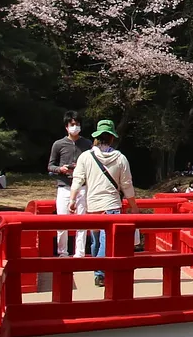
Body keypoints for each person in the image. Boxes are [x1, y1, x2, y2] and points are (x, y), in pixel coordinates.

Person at [70, 120, 136, 285]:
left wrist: (72, 199)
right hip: (112, 204)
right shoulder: (120, 158)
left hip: (93, 205)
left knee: (97, 241)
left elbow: (78, 179)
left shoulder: (85, 156)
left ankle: (98, 271)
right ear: (112, 138)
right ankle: (100, 272)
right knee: (106, 242)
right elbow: (126, 185)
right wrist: (134, 206)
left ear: (96, 137)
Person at [47, 116, 85, 256]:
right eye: (72, 124)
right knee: (62, 220)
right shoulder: (58, 144)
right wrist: (60, 169)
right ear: (66, 127)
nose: (75, 127)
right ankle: (62, 252)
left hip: (82, 186)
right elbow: (50, 166)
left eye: (77, 124)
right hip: (64, 185)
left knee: (83, 221)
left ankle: (79, 253)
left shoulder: (87, 144)